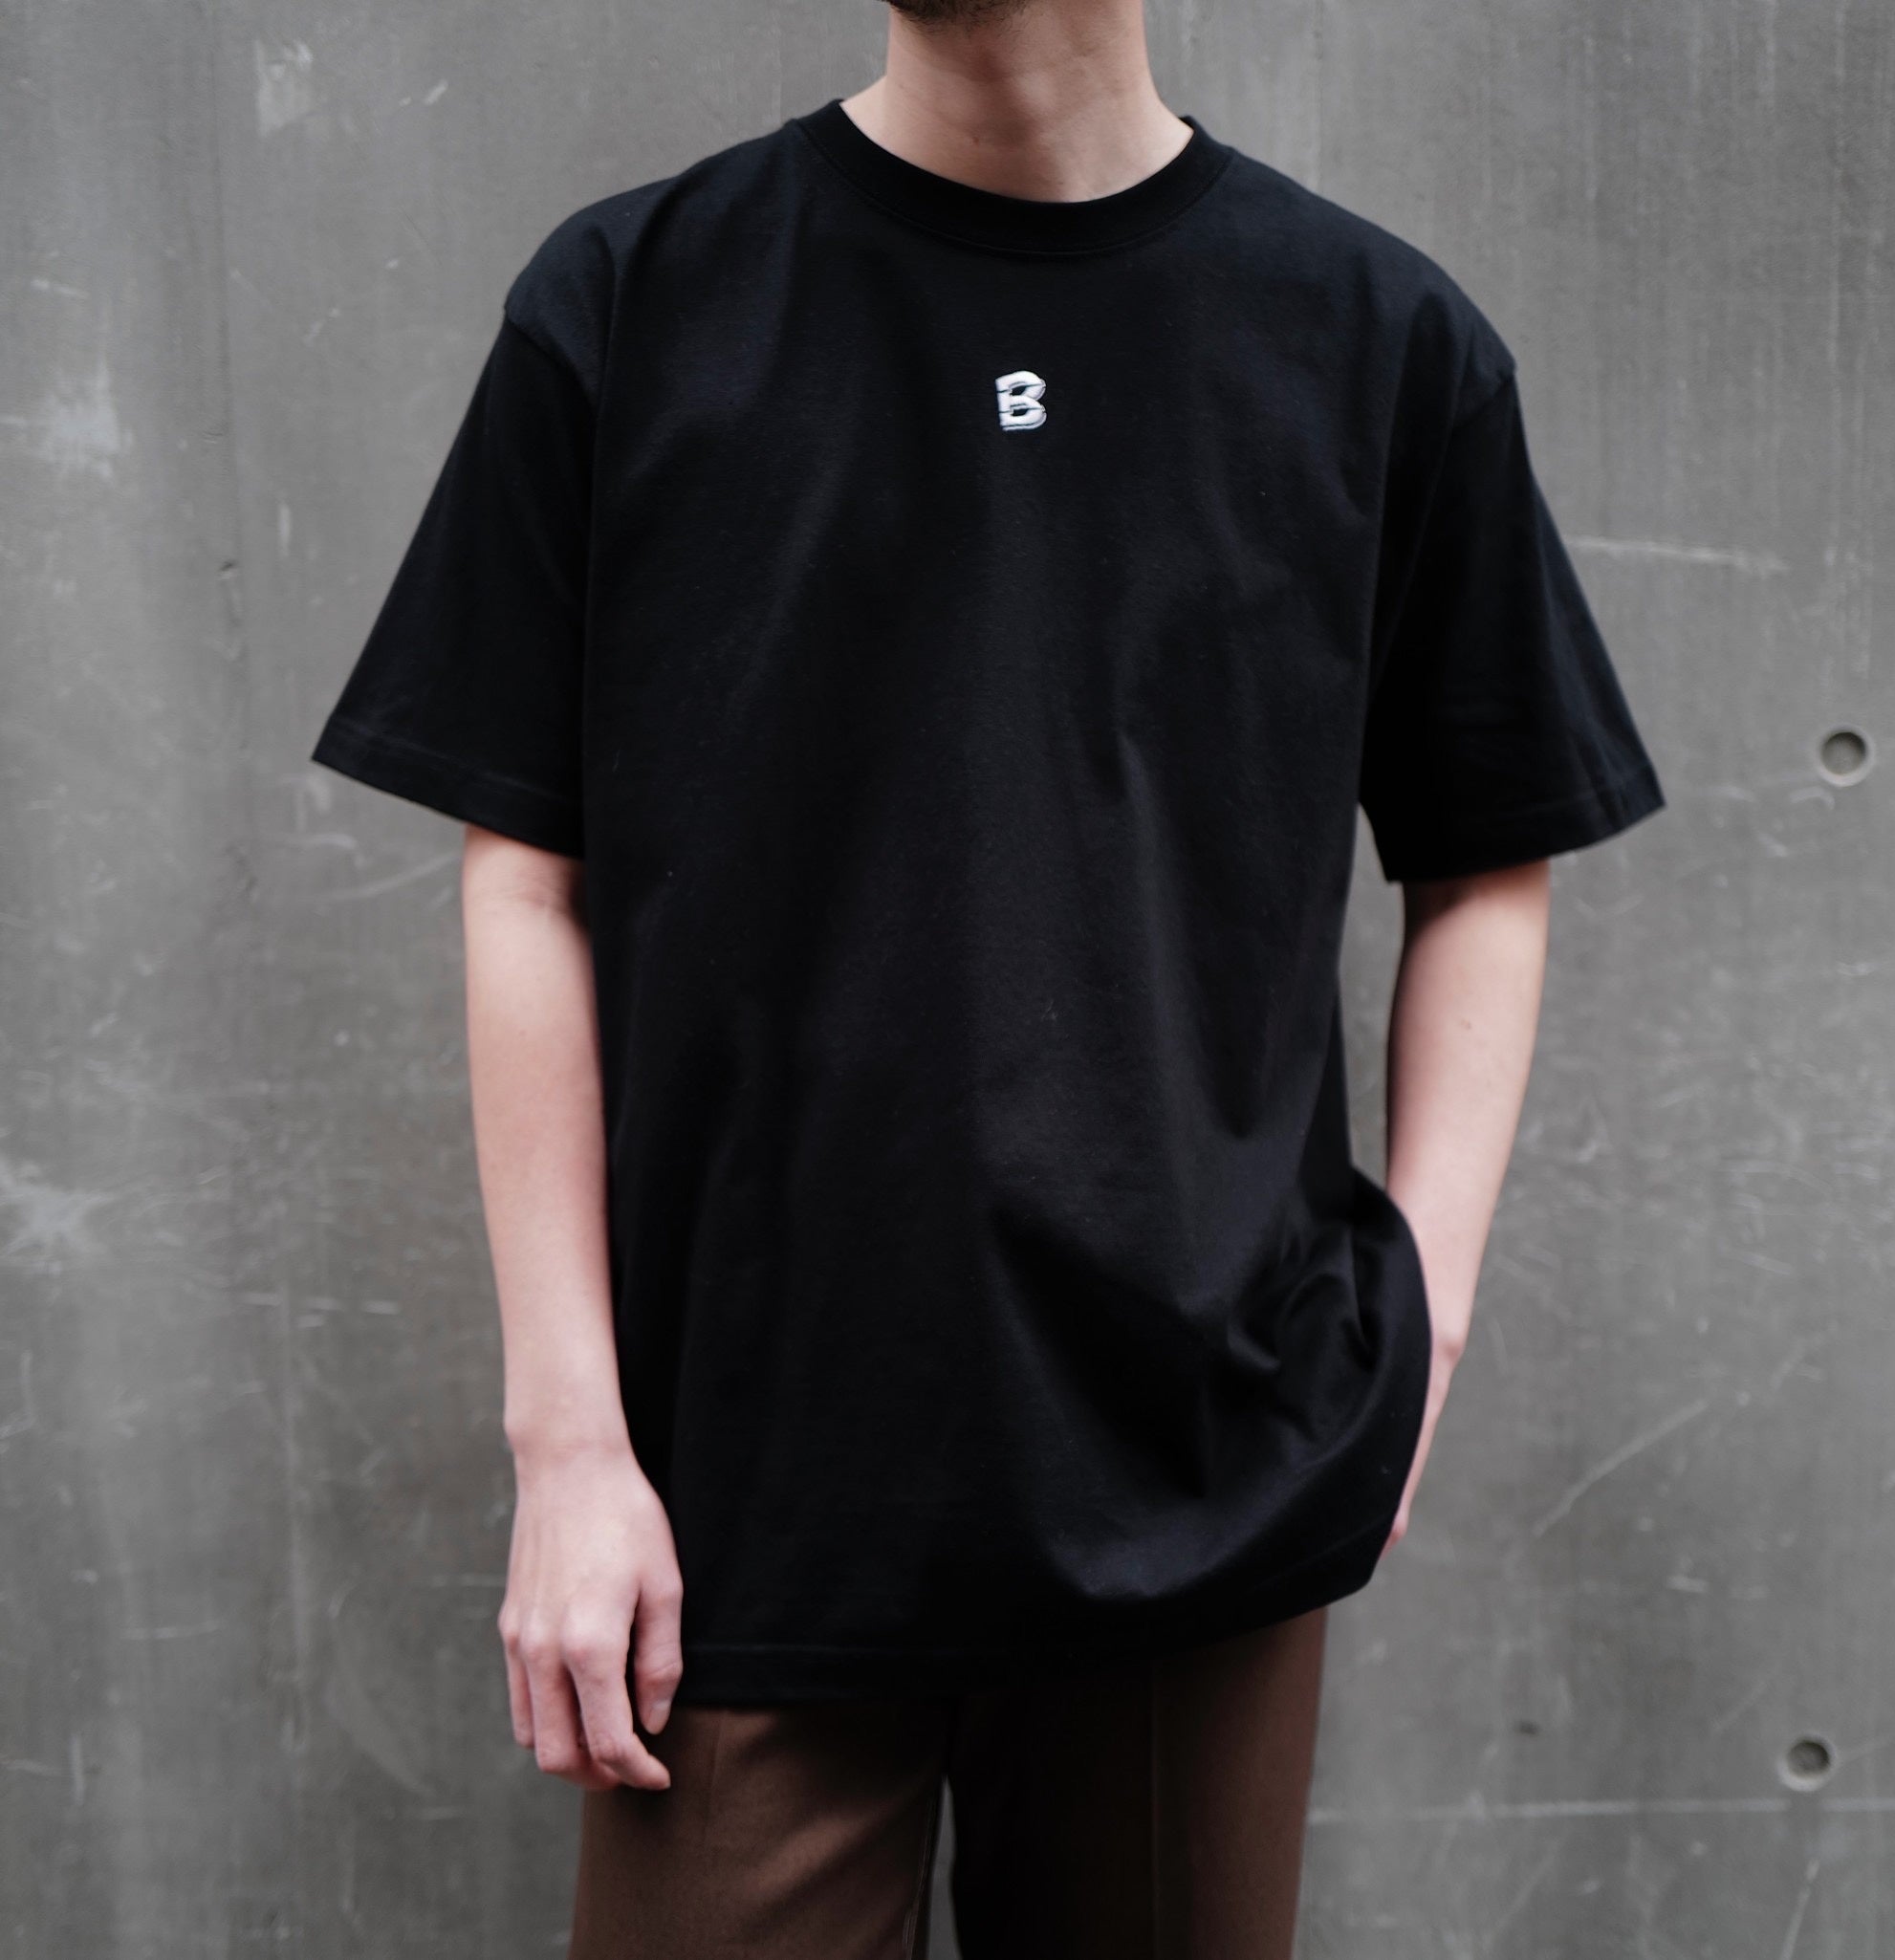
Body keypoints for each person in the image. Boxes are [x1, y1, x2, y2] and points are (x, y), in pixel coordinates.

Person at [309, 0, 1666, 1949]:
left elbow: (1487, 854)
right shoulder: (638, 298)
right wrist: (569, 1440)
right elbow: (529, 876)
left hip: (1202, 1475)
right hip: (736, 1498)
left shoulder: (1375, 338)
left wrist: (1415, 1330)